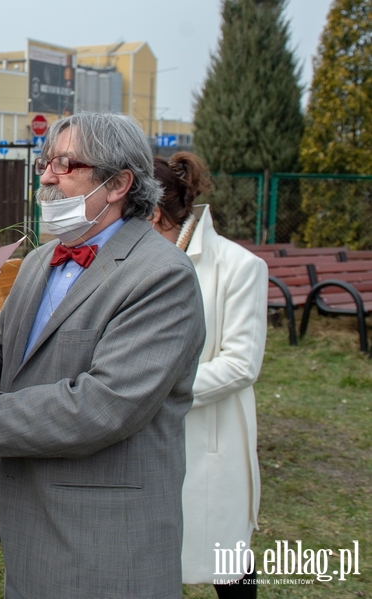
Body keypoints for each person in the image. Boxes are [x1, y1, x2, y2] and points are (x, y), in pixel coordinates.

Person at [0, 112, 206, 598]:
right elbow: (3, 355)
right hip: (31, 529)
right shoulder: (42, 258)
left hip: (104, 542)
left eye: (65, 164)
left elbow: (103, 406)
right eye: (45, 161)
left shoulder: (161, 275)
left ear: (118, 183)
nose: (44, 176)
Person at [151, 152, 266, 598]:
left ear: (154, 212)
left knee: (224, 554)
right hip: (147, 433)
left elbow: (241, 363)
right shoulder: (136, 263)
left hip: (206, 434)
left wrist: (157, 390)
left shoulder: (239, 267)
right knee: (146, 554)